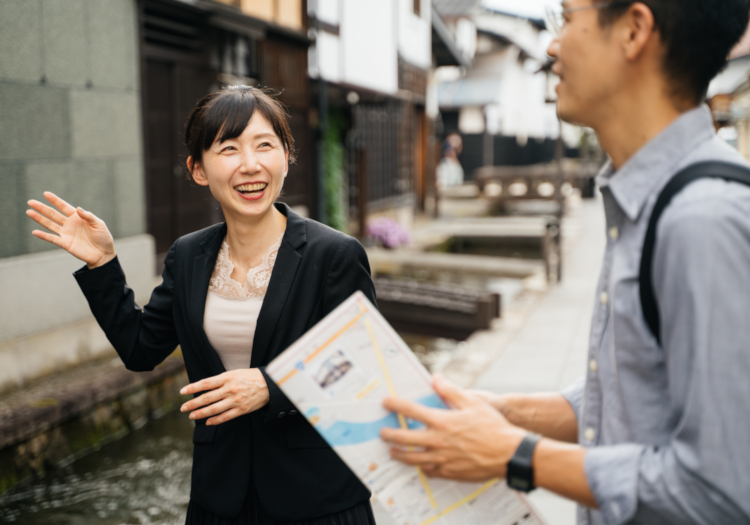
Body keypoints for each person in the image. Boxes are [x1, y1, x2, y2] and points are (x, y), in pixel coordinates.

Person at [380, 1, 750, 524]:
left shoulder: (702, 218)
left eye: (566, 19)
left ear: (633, 30)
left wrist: (513, 454)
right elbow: (633, 398)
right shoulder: (648, 196)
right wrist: (500, 414)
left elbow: (719, 487)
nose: (552, 46)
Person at [26, 86, 376, 525]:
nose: (250, 164)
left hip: (318, 499)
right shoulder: (188, 255)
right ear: (198, 169)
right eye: (228, 149)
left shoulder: (334, 254)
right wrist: (103, 266)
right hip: (219, 498)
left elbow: (365, 368)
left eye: (265, 145)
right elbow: (140, 349)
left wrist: (271, 385)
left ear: (287, 155)